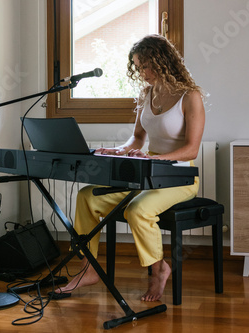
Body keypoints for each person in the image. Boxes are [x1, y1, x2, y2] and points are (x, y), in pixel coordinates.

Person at [52, 34, 205, 302]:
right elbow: (137, 138)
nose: (142, 72)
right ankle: (88, 269)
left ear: (163, 62)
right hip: (148, 173)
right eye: (138, 66)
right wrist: (118, 150)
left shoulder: (189, 96)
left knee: (138, 209)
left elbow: (192, 149)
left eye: (146, 65)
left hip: (179, 176)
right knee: (87, 196)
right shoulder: (147, 94)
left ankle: (159, 271)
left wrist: (153, 159)